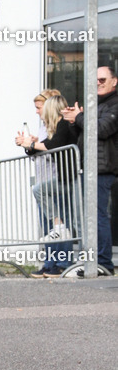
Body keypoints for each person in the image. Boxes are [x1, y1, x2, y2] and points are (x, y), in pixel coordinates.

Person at [62, 66, 118, 276]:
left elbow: (101, 131)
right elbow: (83, 135)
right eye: (95, 80)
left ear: (114, 81)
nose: (98, 83)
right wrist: (73, 120)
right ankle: (92, 261)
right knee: (89, 218)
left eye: (102, 79)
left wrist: (79, 118)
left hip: (102, 170)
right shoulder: (97, 105)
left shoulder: (114, 104)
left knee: (98, 217)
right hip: (90, 168)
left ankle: (103, 263)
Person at [17, 93, 78, 277]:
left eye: (39, 108)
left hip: (61, 178)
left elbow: (52, 144)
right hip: (50, 179)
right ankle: (51, 264)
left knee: (65, 223)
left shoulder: (63, 125)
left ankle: (64, 263)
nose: (38, 112)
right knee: (51, 227)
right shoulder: (50, 126)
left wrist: (32, 143)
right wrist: (29, 145)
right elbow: (41, 147)